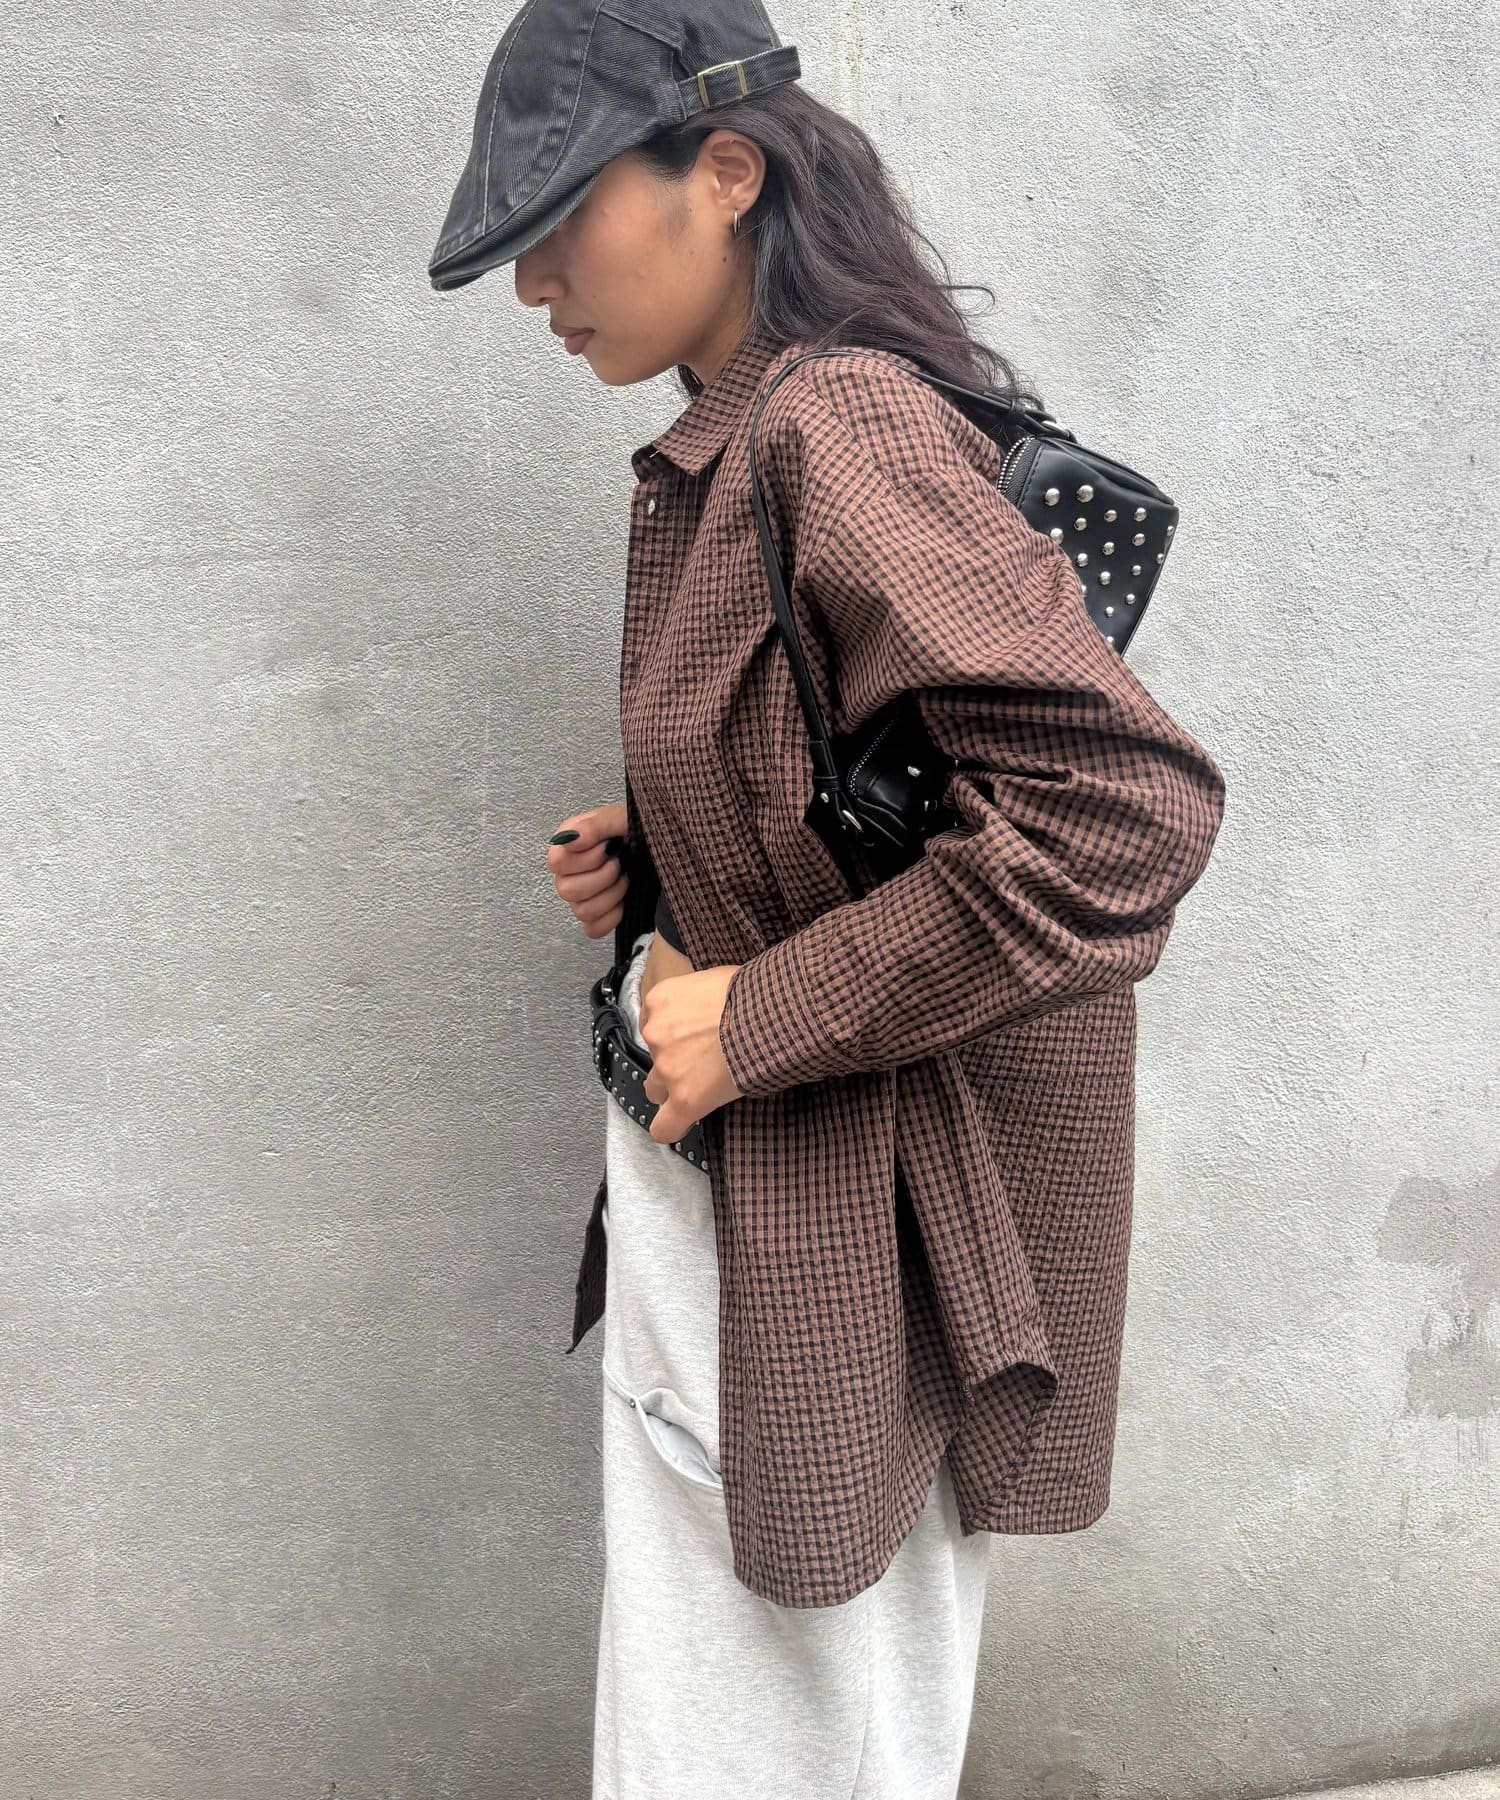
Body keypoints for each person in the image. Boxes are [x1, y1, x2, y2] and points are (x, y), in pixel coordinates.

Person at [428, 5, 1227, 1796]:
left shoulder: (834, 423)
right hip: (777, 1176)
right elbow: (882, 774)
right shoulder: (752, 430)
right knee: (760, 1705)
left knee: (767, 1730)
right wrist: (667, 846)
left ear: (724, 173)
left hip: (836, 1189)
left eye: (560, 219)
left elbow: (1122, 813)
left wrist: (758, 1013)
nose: (535, 282)